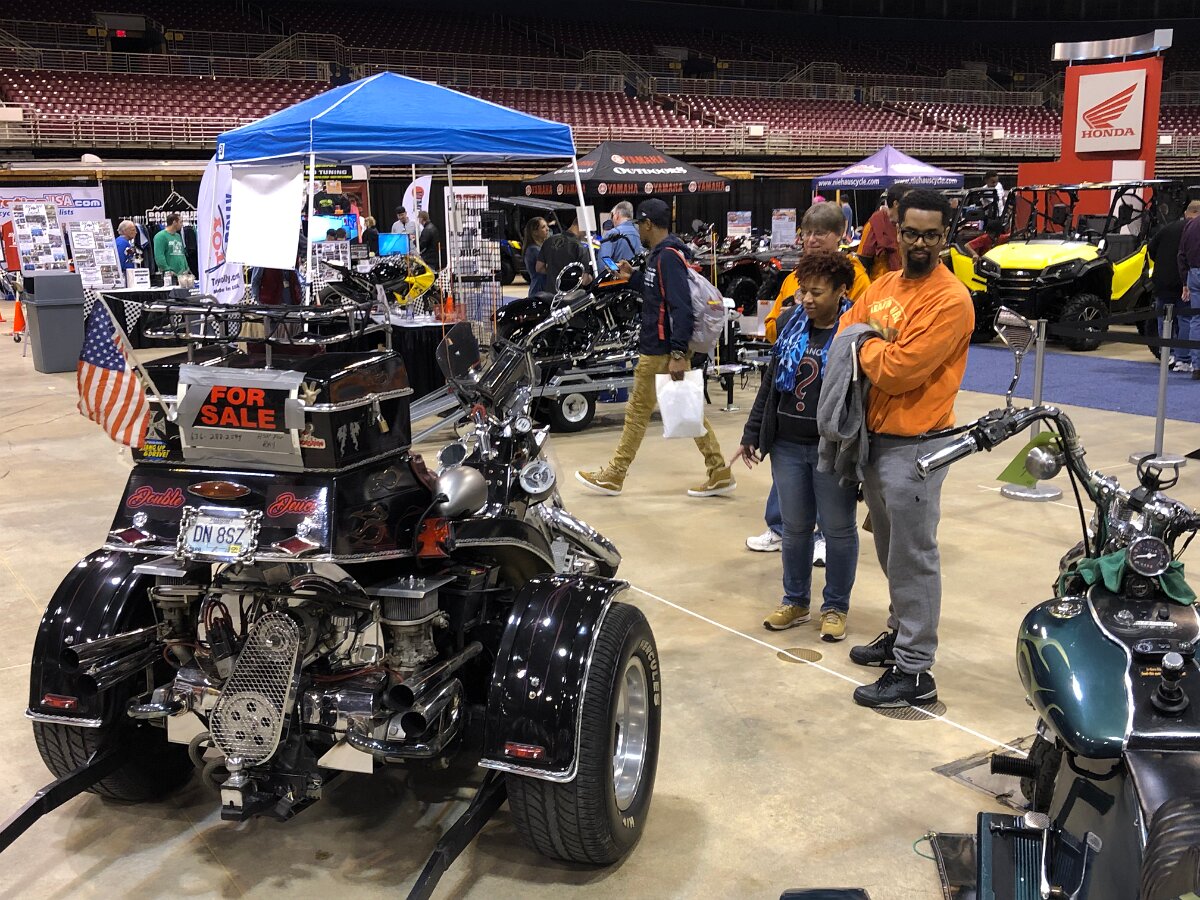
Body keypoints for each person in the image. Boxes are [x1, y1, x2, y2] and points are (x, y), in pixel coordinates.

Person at [836, 189, 973, 708]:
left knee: (914, 557)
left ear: (945, 236)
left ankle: (915, 671)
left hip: (918, 446)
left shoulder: (950, 300)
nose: (920, 243)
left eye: (931, 235)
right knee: (891, 550)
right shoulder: (885, 285)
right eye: (911, 233)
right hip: (876, 440)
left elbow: (897, 371)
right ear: (896, 230)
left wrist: (867, 343)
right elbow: (845, 332)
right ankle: (899, 634)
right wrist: (872, 342)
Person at [734, 251, 860, 642]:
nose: (806, 299)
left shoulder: (855, 331)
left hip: (831, 450)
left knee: (838, 530)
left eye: (816, 292)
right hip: (787, 445)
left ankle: (835, 606)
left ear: (841, 291)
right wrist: (752, 433)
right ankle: (795, 601)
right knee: (794, 529)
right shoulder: (791, 323)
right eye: (803, 290)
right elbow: (770, 385)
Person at [576, 198, 735, 498]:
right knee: (689, 411)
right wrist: (633, 278)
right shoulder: (659, 256)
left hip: (661, 351)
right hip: (660, 348)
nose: (638, 229)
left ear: (648, 224)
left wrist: (677, 354)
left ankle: (615, 474)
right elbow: (657, 294)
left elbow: (681, 307)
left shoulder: (668, 258)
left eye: (640, 224)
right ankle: (719, 471)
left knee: (637, 412)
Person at [748, 202, 871, 557]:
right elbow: (774, 323)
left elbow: (860, 324)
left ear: (839, 236)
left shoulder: (857, 277)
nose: (813, 240)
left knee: (830, 491)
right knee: (788, 474)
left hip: (831, 408)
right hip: (791, 398)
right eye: (808, 234)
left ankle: (823, 537)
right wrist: (790, 329)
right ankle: (779, 527)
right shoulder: (793, 277)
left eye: (821, 233)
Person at [1150, 201, 1200, 371]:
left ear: (1186, 212)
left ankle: (1167, 355)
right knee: (1187, 319)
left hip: (1162, 281)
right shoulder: (1193, 229)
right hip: (1183, 281)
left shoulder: (1168, 228)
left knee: (1164, 318)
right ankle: (1183, 359)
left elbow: (1151, 248)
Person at [857, 183, 907, 281]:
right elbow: (862, 261)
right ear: (896, 204)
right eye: (908, 204)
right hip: (879, 283)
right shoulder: (875, 223)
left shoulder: (907, 224)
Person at [538, 216, 593, 289]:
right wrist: (591, 278)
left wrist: (554, 273)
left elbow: (539, 268)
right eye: (587, 231)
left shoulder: (549, 240)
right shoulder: (580, 247)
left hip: (550, 293)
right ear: (582, 226)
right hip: (571, 294)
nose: (586, 234)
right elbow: (584, 280)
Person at [153, 213, 190, 278]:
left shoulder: (178, 236)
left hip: (182, 274)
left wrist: (186, 267)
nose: (182, 224)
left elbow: (182, 253)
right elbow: (159, 256)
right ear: (174, 222)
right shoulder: (160, 236)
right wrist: (167, 270)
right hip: (170, 275)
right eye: (180, 222)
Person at [522, 216, 550, 296]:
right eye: (543, 227)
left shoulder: (539, 248)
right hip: (539, 291)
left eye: (547, 226)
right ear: (535, 232)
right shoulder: (533, 250)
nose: (547, 229)